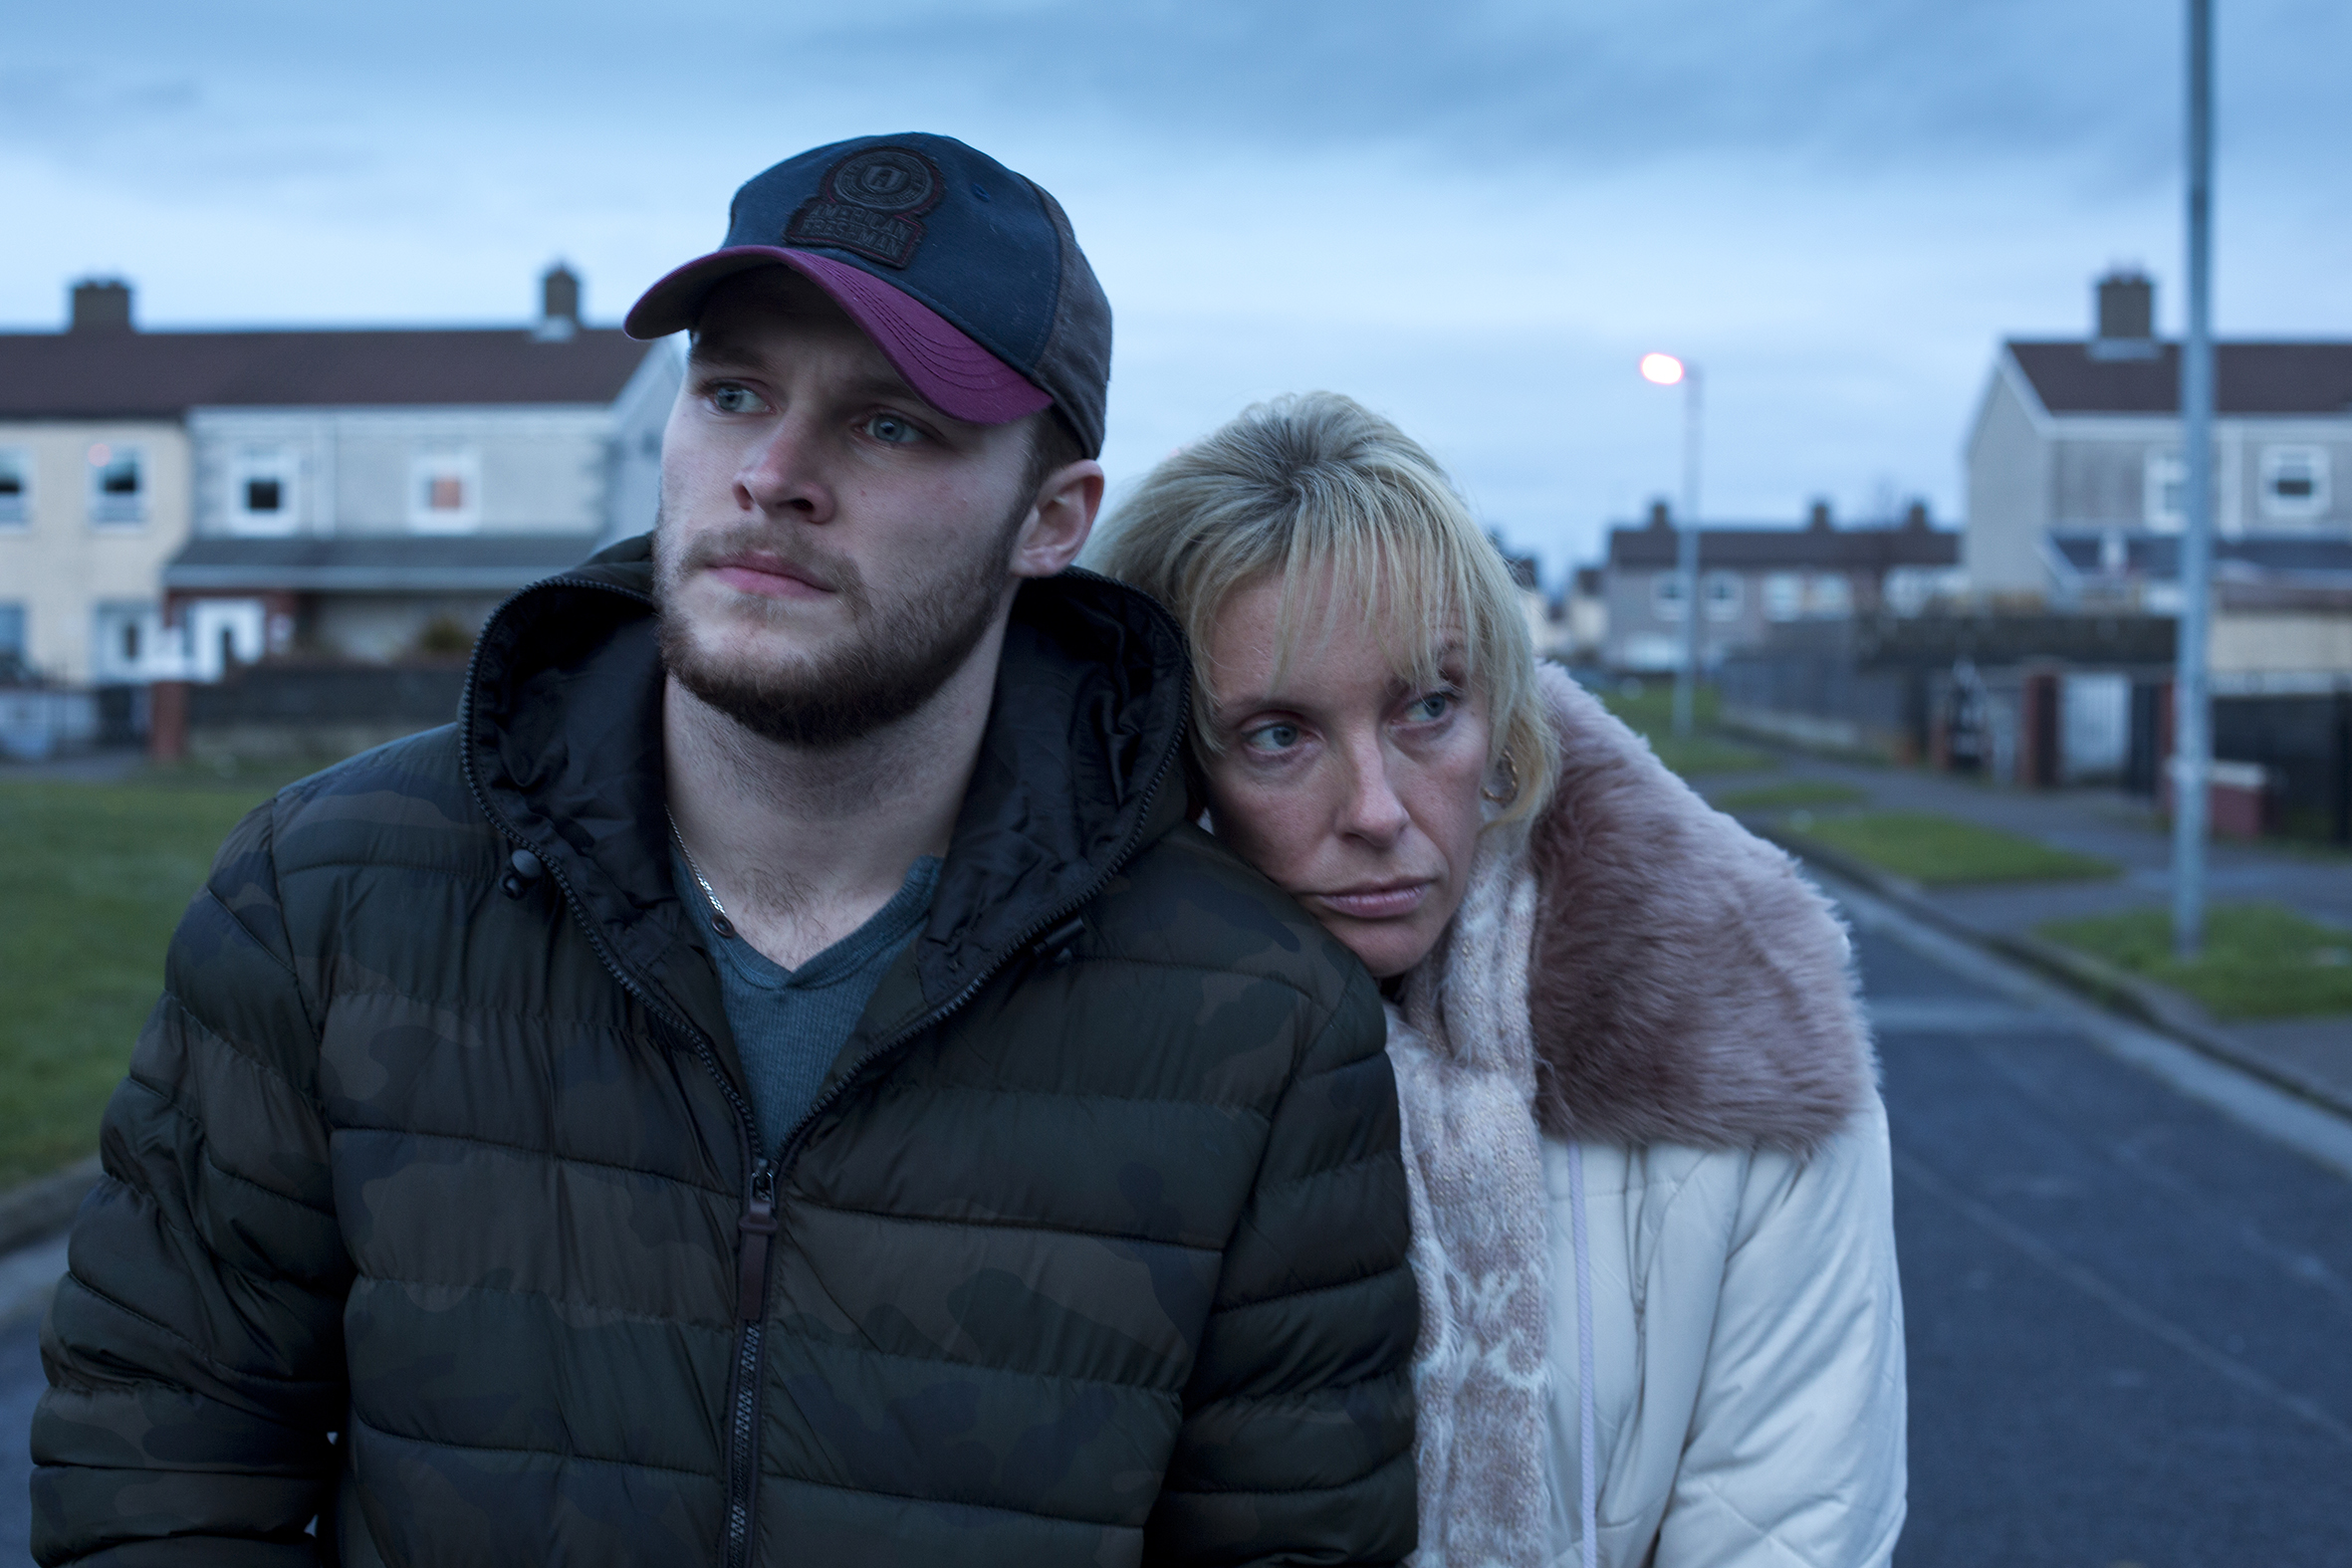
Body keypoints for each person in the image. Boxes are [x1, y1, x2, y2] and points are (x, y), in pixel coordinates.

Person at [32, 139, 1417, 1566]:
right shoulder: (326, 896)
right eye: (734, 392)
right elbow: (159, 1474)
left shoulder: (1255, 1019)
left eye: (890, 425)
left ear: (1050, 519)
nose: (771, 474)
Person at [1093, 391, 1908, 1568]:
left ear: (1502, 719)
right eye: (1278, 733)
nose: (1377, 811)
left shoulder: (1741, 1041)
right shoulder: (1060, 1053)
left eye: (1428, 709)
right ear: (1168, 762)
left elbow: (1789, 1529)